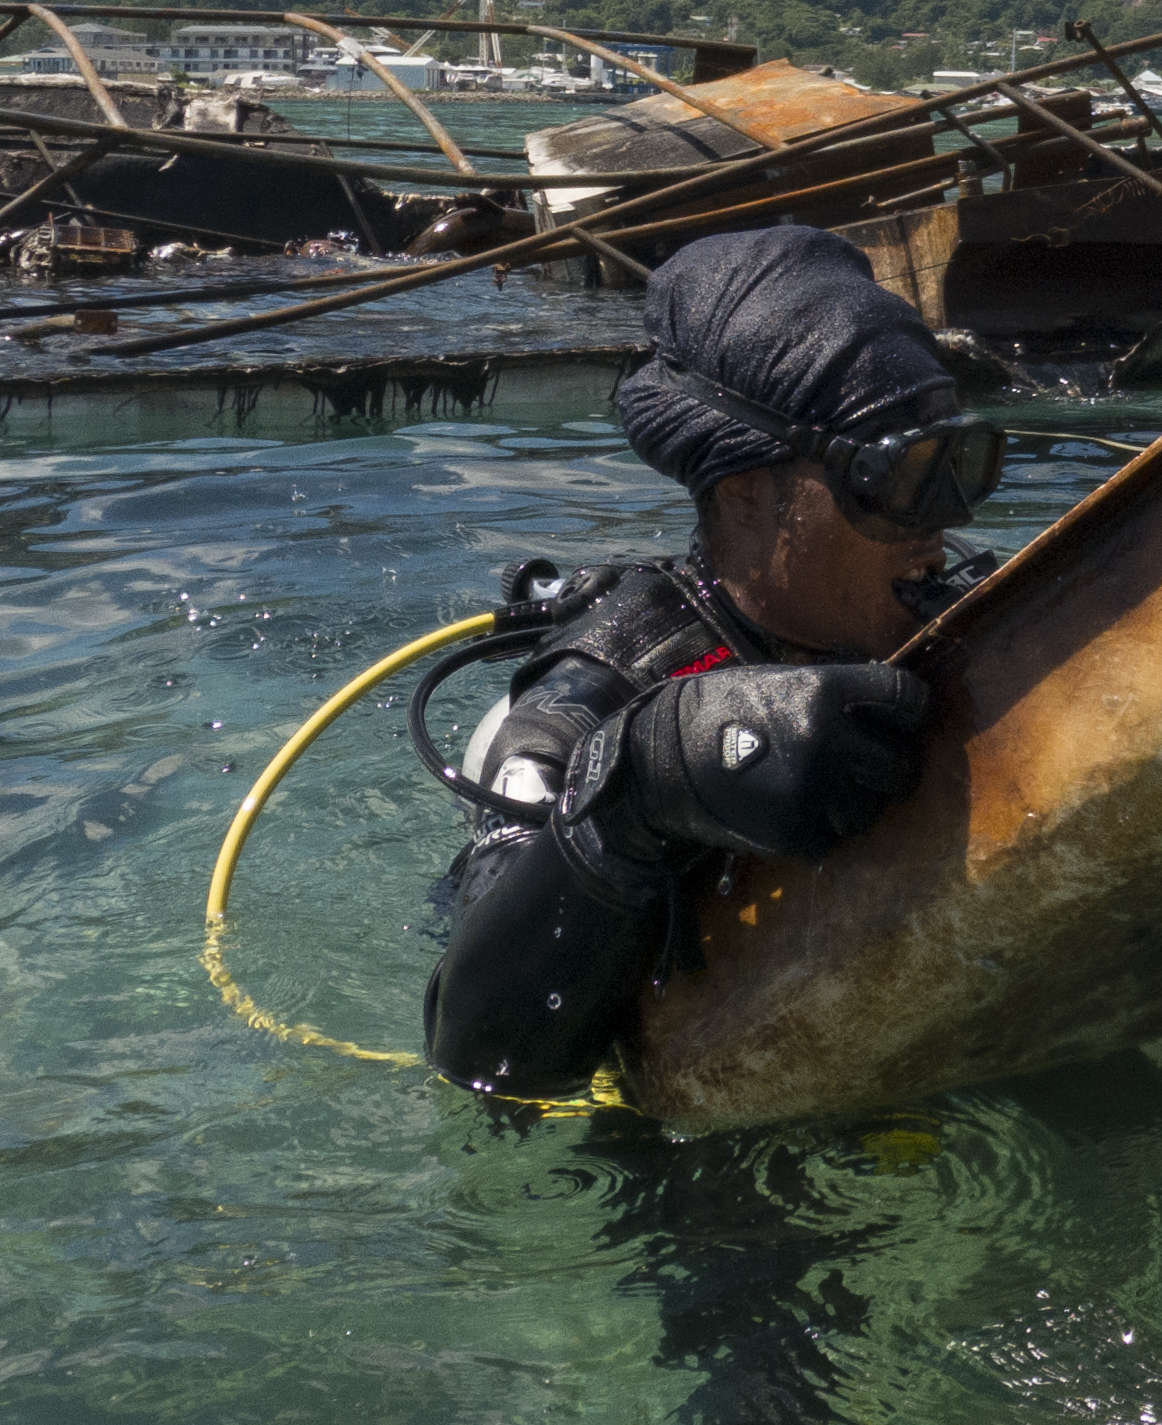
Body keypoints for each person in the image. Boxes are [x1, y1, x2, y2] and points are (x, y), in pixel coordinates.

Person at [422, 222, 1002, 1099]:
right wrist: (645, 786)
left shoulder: (946, 617)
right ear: (745, 492)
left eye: (958, 463)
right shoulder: (577, 711)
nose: (940, 519)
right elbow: (475, 1053)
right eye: (898, 474)